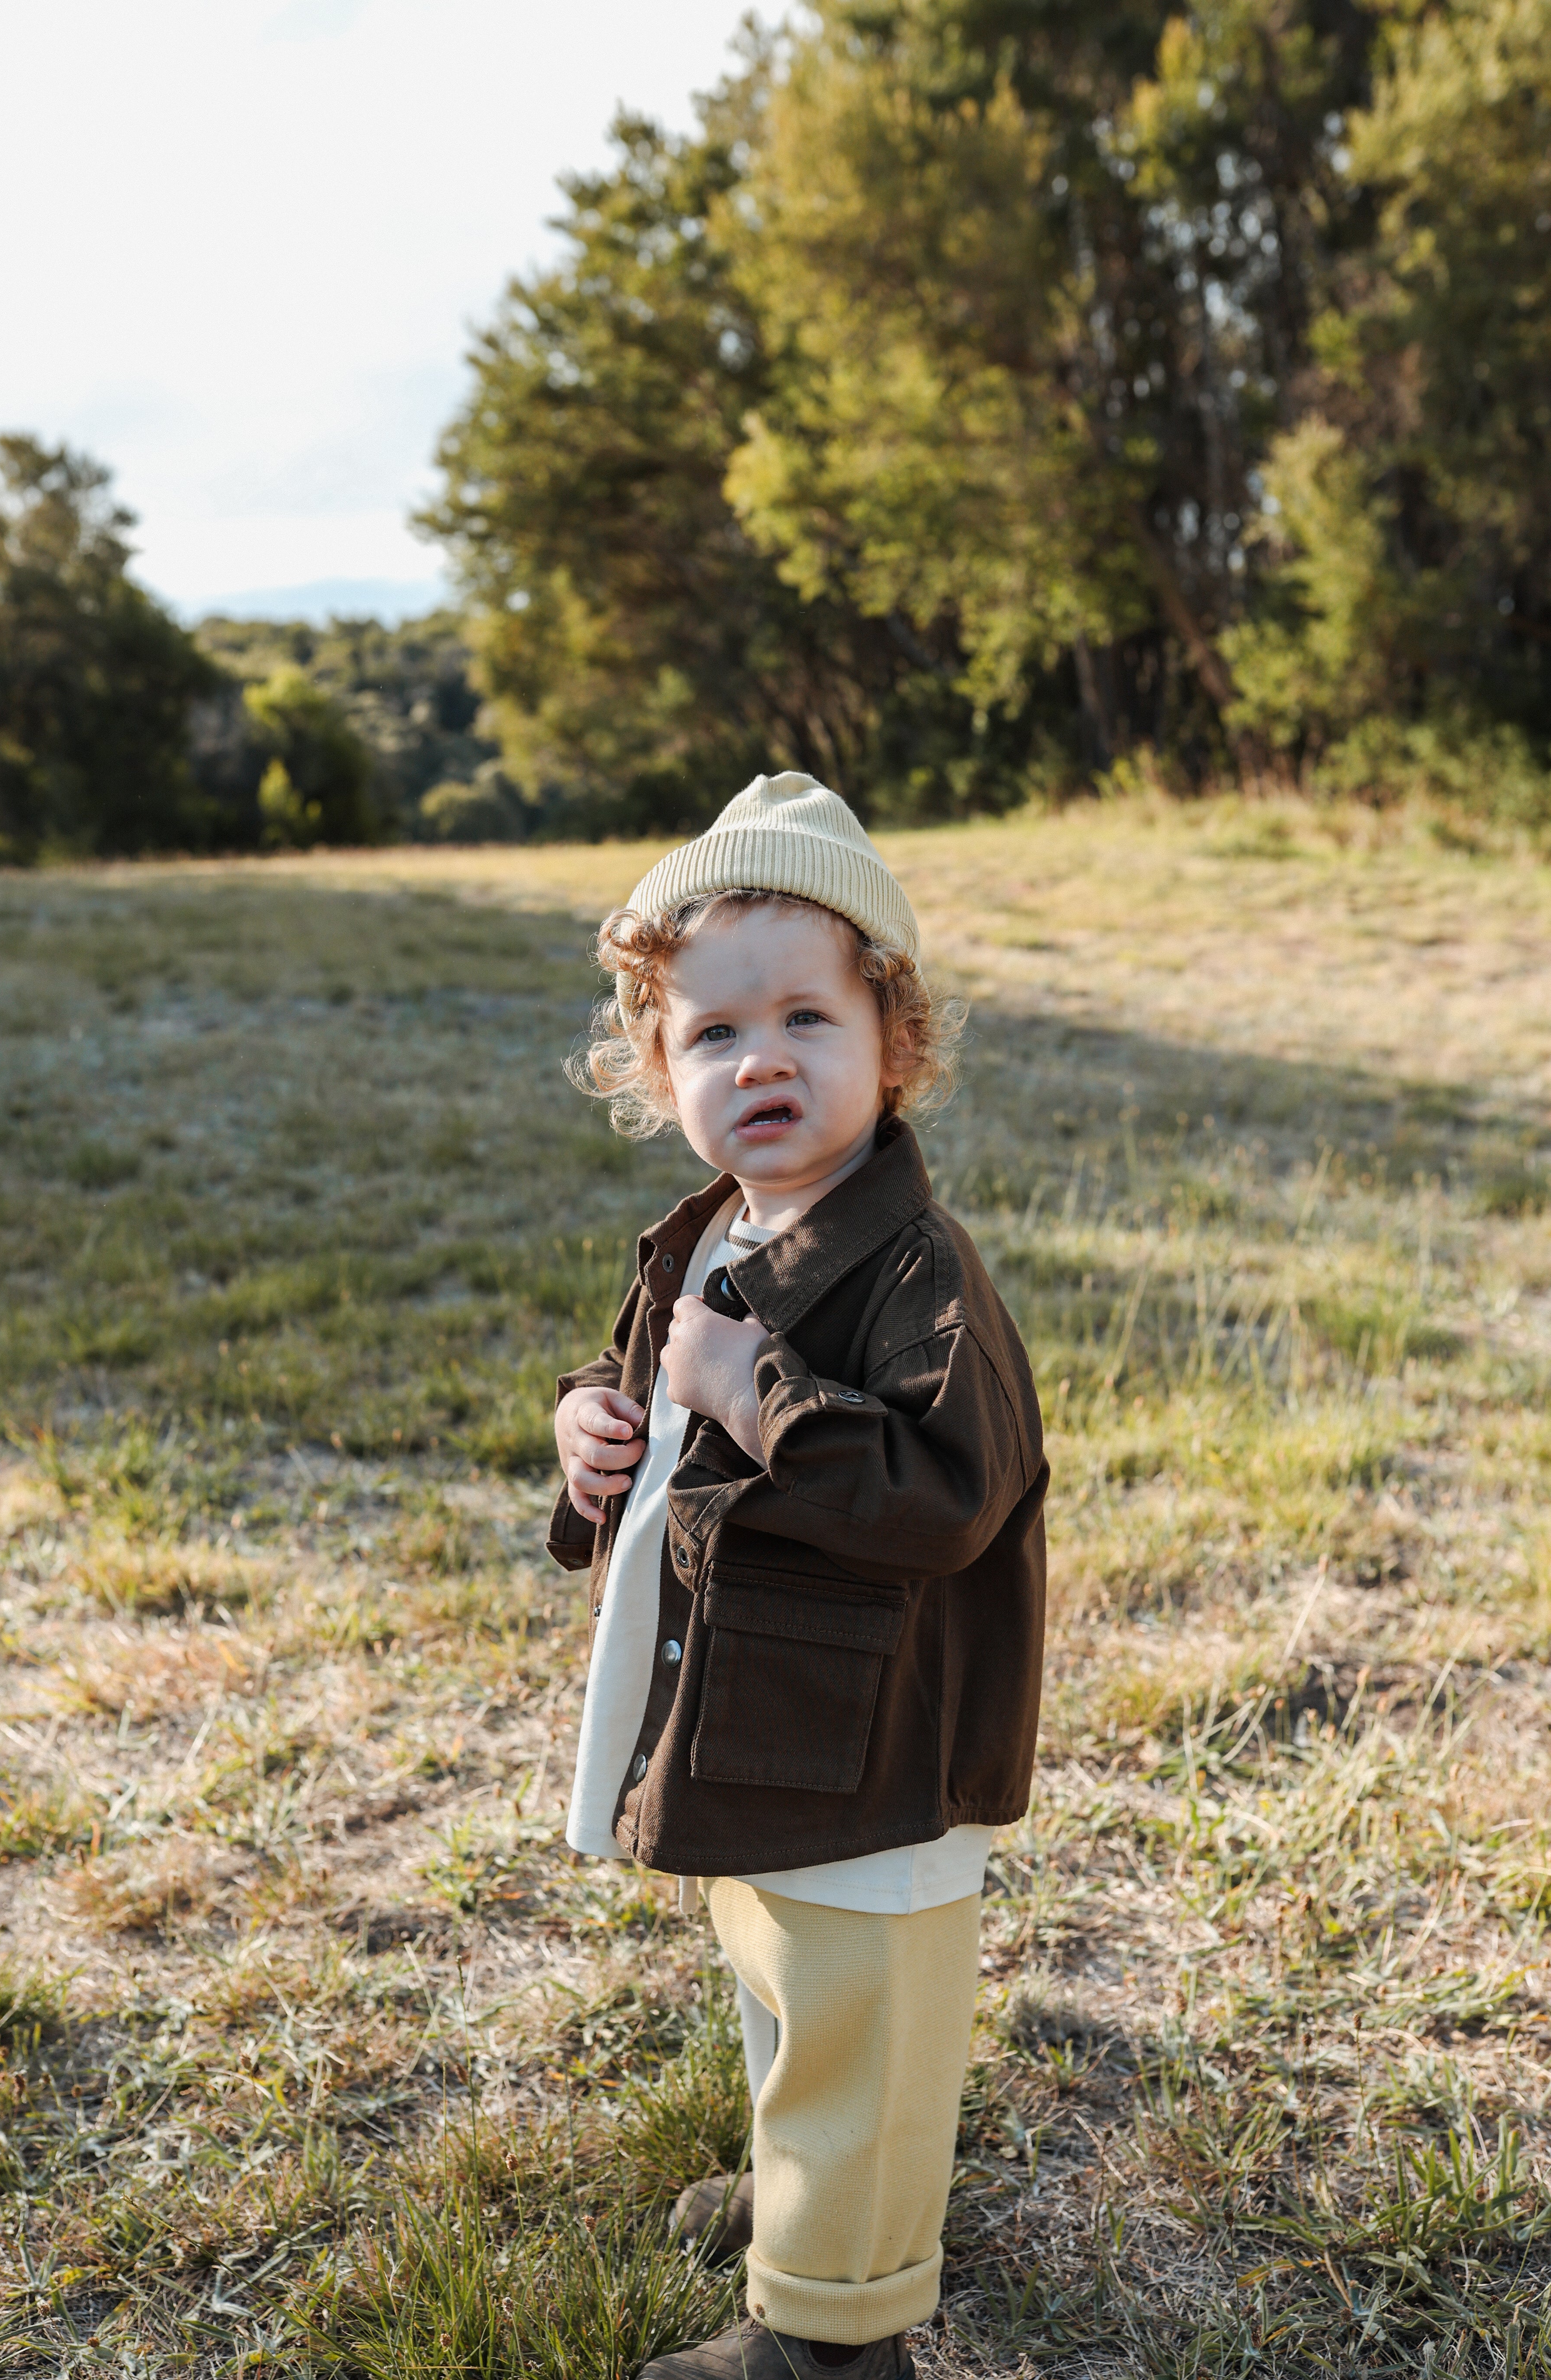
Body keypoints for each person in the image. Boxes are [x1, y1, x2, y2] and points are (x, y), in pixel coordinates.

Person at [548, 773, 1048, 2380]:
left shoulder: (917, 1269)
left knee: (864, 2023)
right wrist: (594, 1432)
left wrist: (759, 1392)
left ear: (891, 1043)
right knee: (781, 1972)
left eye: (808, 1021)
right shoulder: (717, 1227)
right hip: (765, 1715)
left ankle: (835, 2335)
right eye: (712, 1034)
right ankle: (804, 2189)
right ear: (657, 1070)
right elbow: (653, 1376)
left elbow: (944, 1499)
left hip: (878, 1738)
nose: (760, 1058)